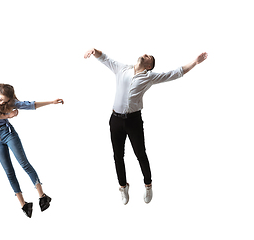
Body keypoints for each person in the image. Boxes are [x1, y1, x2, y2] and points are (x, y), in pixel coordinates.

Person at [84, 48, 208, 204]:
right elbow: (105, 58)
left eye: (149, 57)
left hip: (133, 121)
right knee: (117, 156)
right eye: (145, 54)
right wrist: (94, 51)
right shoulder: (122, 68)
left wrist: (195, 62)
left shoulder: (149, 77)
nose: (145, 54)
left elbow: (175, 73)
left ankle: (148, 185)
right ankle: (123, 186)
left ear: (149, 66)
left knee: (140, 154)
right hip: (115, 120)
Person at [0, 83, 64, 217]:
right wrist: (7, 116)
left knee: (24, 164)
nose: (2, 102)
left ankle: (42, 196)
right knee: (8, 171)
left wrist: (51, 102)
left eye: (5, 101)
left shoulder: (9, 102)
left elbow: (29, 105)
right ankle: (23, 204)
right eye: (0, 99)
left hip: (8, 133)